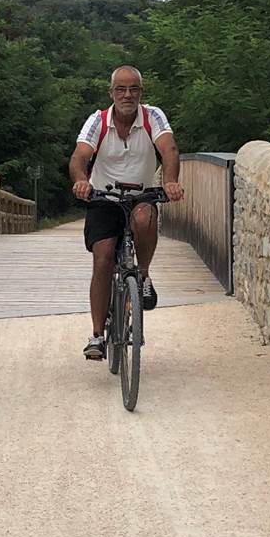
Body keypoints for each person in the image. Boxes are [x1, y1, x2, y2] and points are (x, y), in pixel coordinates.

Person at [68, 65, 185, 360]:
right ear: (111, 93)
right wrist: (81, 180)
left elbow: (169, 150)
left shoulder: (153, 116)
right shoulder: (98, 120)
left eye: (133, 89)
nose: (127, 95)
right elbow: (80, 156)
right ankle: (97, 335)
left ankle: (142, 276)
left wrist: (170, 181)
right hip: (103, 197)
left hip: (141, 196)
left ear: (141, 93)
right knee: (103, 258)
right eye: (121, 89)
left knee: (145, 217)